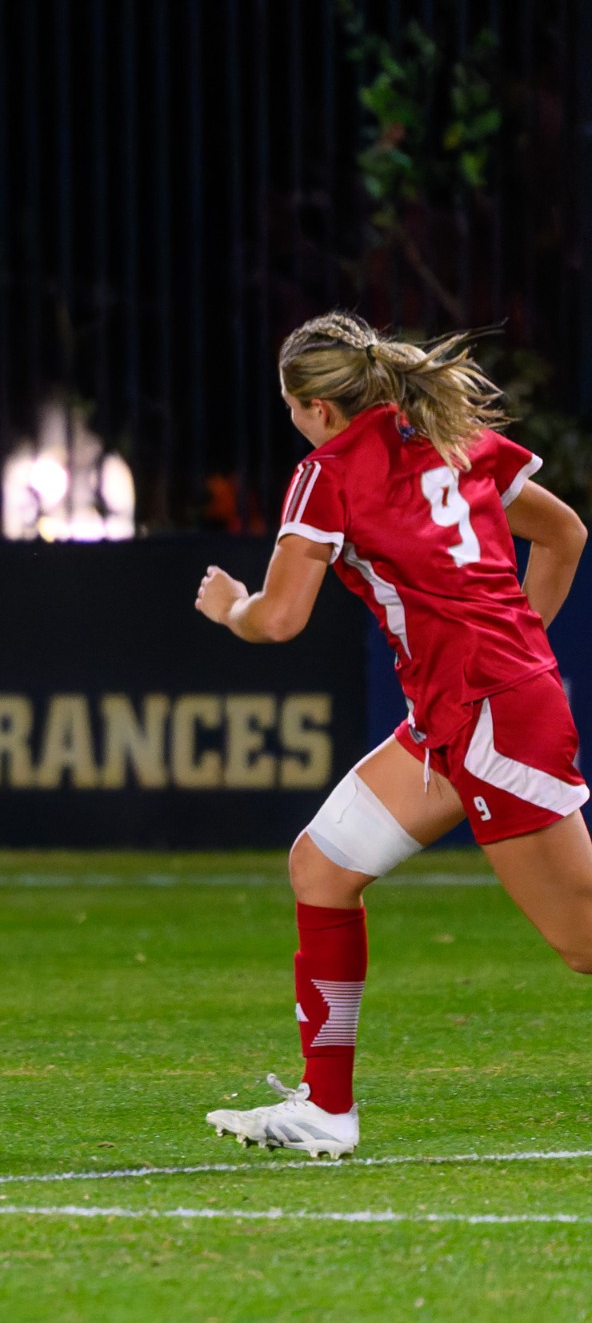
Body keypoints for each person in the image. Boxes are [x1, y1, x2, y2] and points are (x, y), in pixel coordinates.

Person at [193, 310, 591, 1157]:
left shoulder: (327, 470)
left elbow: (280, 619)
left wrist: (229, 606)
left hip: (487, 714)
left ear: (317, 408)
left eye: (292, 405)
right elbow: (565, 535)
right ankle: (326, 1111)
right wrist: (524, 658)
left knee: (584, 945)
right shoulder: (453, 434)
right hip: (467, 711)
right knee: (323, 865)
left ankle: (327, 1109)